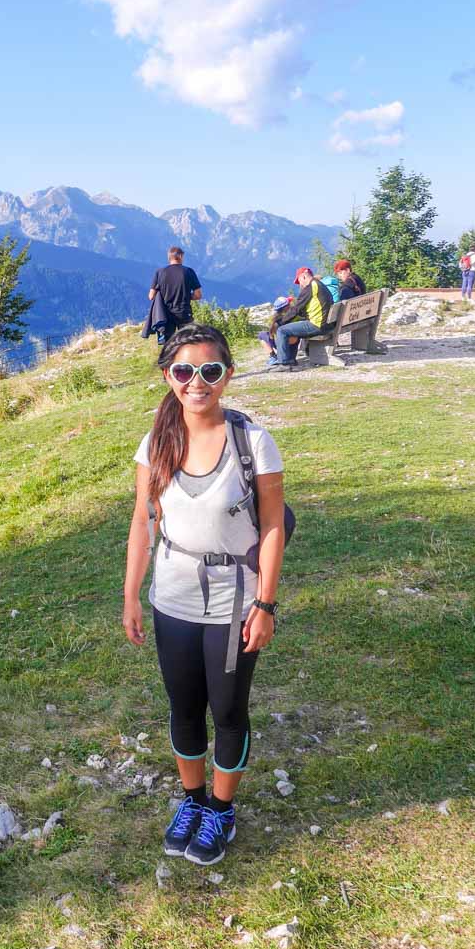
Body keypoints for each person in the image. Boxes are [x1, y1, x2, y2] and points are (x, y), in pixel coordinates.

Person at [123, 324, 285, 866]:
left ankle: (221, 809)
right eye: (184, 371)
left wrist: (265, 604)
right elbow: (143, 521)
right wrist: (131, 595)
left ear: (228, 375)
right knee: (184, 706)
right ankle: (192, 801)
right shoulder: (156, 442)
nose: (197, 382)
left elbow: (272, 525)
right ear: (168, 376)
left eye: (210, 371)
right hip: (172, 596)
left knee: (228, 708)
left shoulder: (253, 442)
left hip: (235, 600)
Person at [269, 267, 333, 370]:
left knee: (281, 330)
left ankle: (284, 363)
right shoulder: (319, 284)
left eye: (299, 281)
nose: (300, 285)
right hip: (327, 324)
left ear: (303, 276)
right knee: (294, 328)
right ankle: (290, 359)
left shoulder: (310, 287)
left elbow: (296, 309)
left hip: (317, 325)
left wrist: (280, 322)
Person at [148, 248, 203, 346]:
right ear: (181, 256)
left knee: (168, 345)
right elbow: (198, 295)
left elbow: (151, 296)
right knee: (187, 342)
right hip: (184, 312)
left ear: (169, 257)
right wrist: (186, 295)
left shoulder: (160, 272)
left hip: (165, 314)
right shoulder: (188, 271)